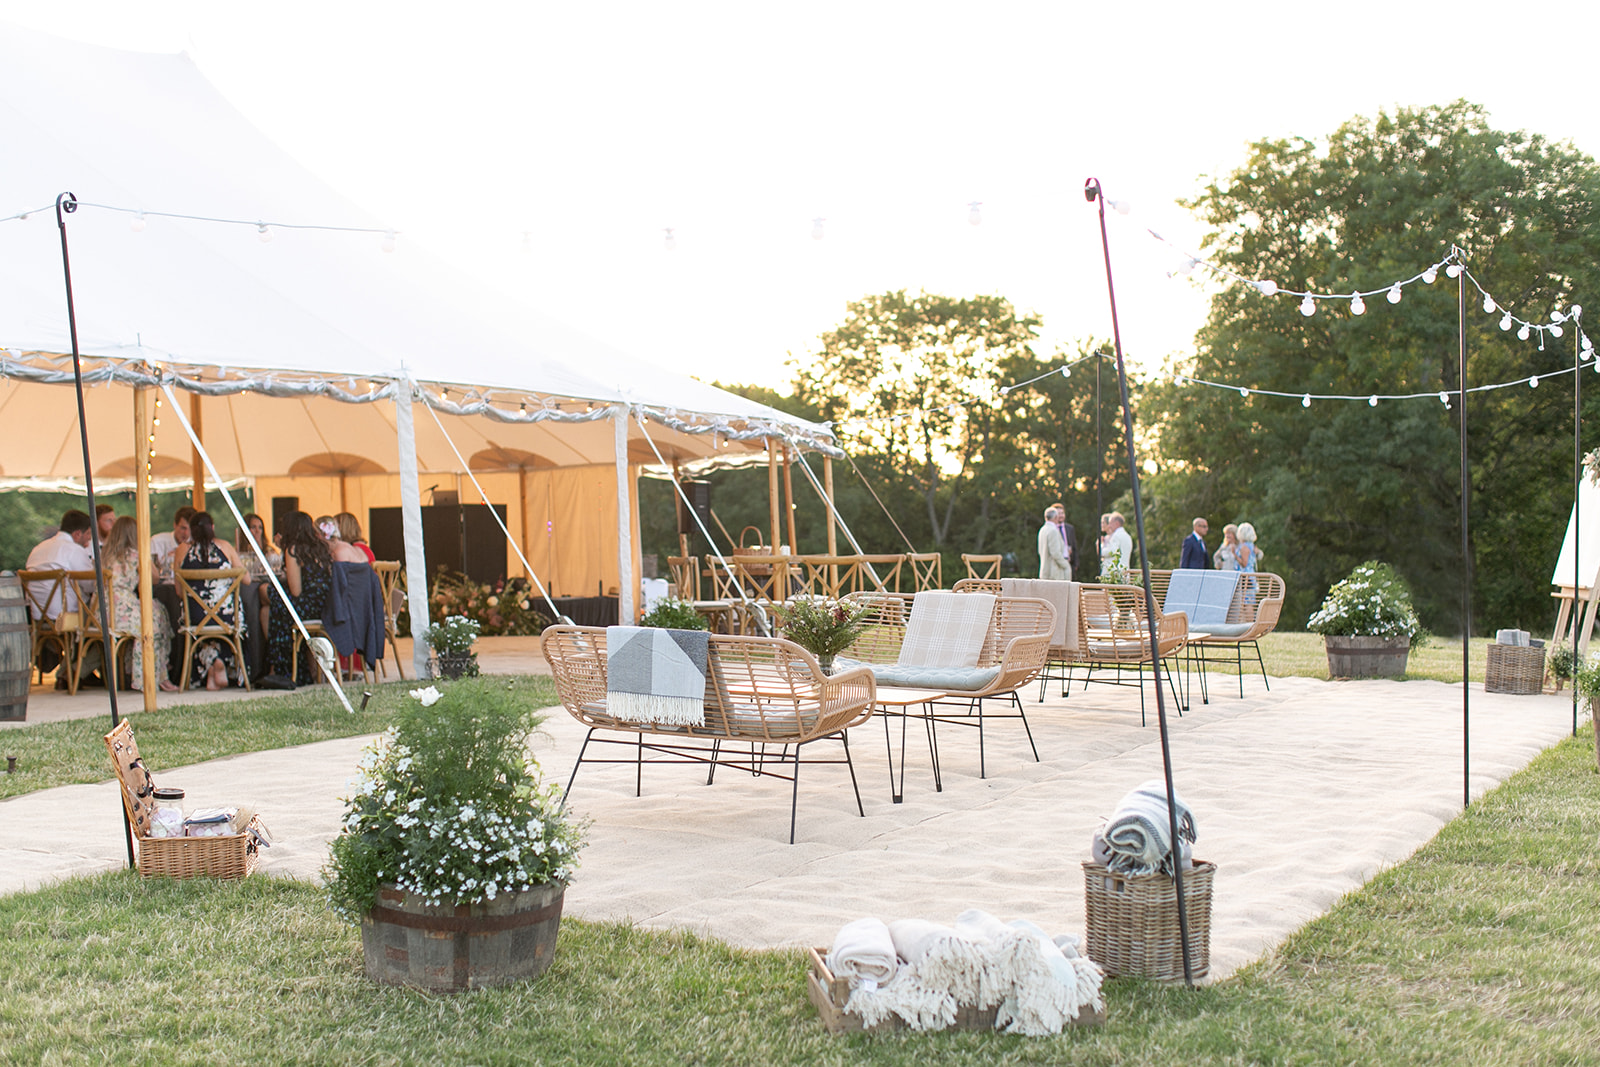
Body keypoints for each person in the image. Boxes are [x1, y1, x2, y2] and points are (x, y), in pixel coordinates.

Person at [24, 509, 101, 685]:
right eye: (88, 535)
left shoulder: (38, 549)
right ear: (77, 534)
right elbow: (91, 586)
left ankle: (76, 671)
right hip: (64, 617)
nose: (89, 540)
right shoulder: (74, 550)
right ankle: (74, 672)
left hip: (37, 617)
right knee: (104, 621)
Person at [103, 516, 177, 692]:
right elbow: (155, 578)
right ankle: (152, 676)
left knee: (156, 610)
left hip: (100, 611)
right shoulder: (136, 555)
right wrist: (146, 556)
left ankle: (148, 672)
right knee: (154, 619)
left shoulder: (104, 555)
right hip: (120, 610)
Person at [263, 511, 333, 686]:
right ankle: (280, 663)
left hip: (307, 606)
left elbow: (296, 591)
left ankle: (276, 662)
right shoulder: (322, 547)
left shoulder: (293, 549)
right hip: (326, 605)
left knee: (263, 592)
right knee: (268, 608)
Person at [179, 511, 246, 690]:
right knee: (224, 617)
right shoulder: (225, 547)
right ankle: (220, 662)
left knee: (203, 621)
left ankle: (211, 667)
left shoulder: (182, 550)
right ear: (213, 528)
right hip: (227, 616)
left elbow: (179, 591)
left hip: (196, 615)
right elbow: (245, 580)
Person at [150, 506, 195, 682]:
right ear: (175, 525)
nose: (186, 533)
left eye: (190, 528)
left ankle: (185, 665)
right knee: (174, 604)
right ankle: (175, 666)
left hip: (183, 588)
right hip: (161, 588)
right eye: (183, 528)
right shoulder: (158, 541)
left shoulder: (194, 545)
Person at [1037, 504, 1072, 580]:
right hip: (1053, 573)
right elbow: (1055, 553)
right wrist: (1065, 565)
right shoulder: (1053, 531)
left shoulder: (1042, 530)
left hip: (1044, 571)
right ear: (1056, 517)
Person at [1101, 511, 1134, 579]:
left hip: (1115, 574)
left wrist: (1101, 546)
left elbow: (1111, 552)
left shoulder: (1116, 536)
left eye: (1110, 523)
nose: (1109, 526)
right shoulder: (1127, 536)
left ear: (1116, 523)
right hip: (1125, 572)